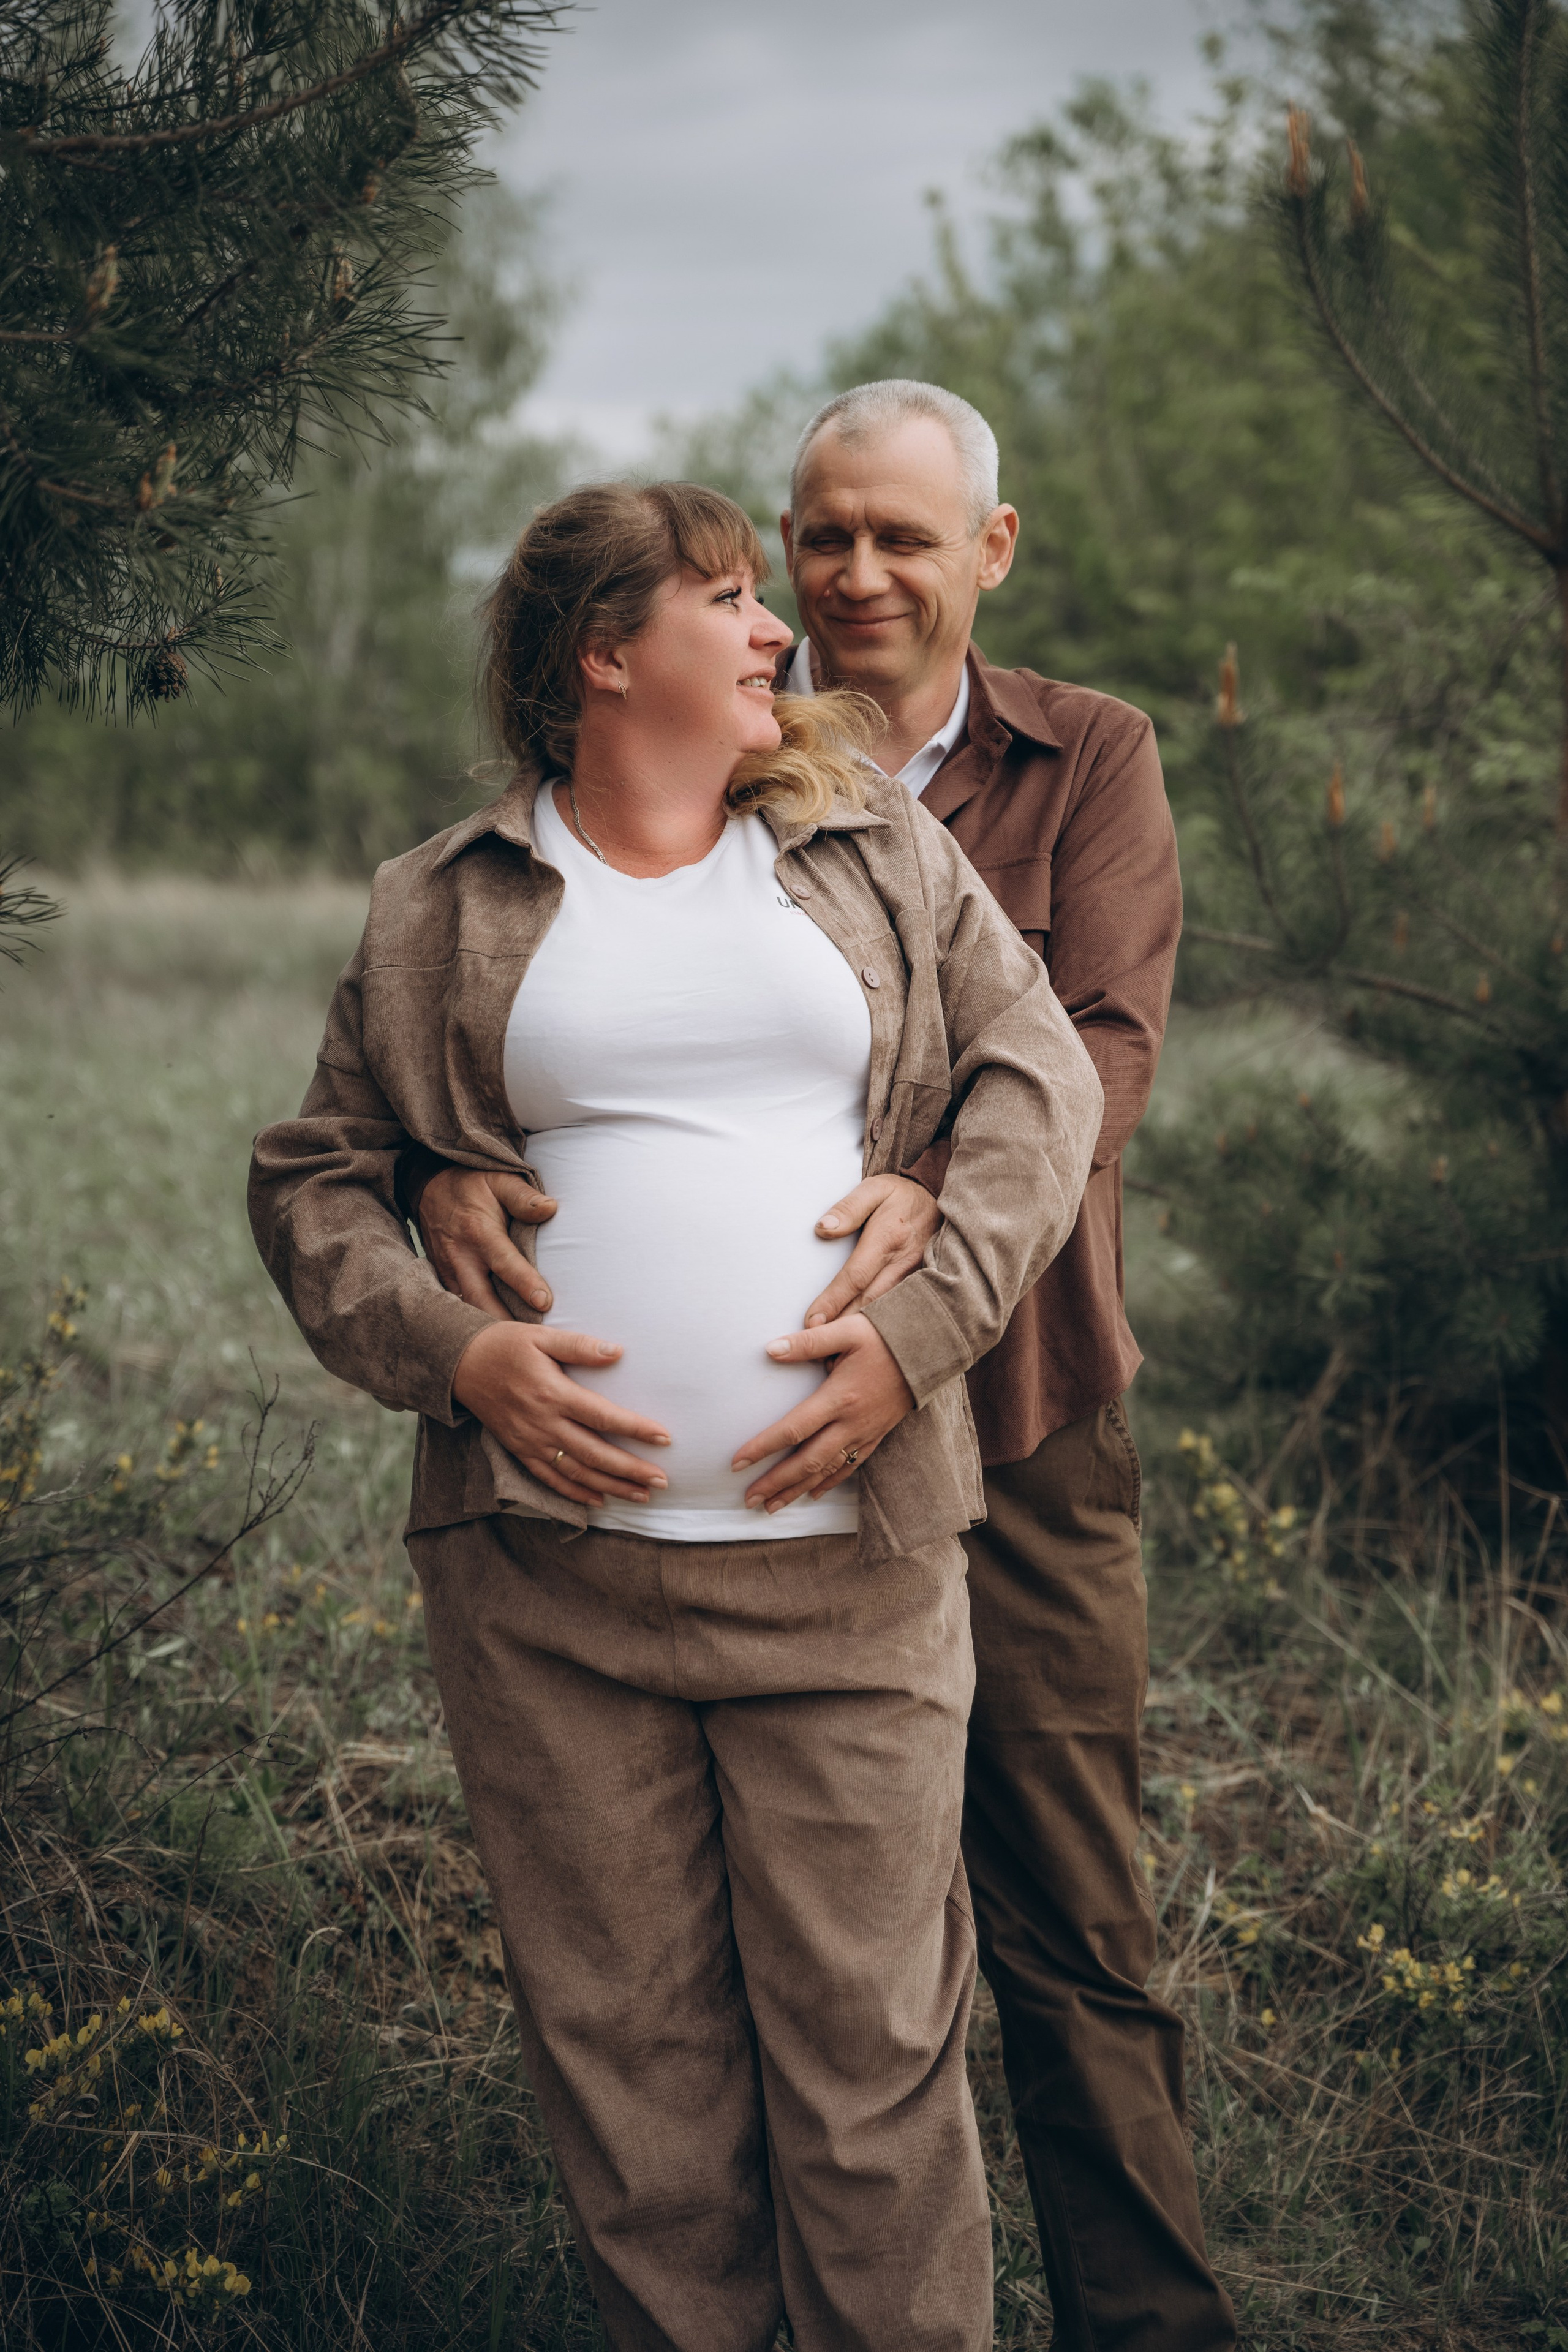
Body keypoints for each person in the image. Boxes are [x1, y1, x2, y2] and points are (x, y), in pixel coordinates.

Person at [407, 385, 1238, 2352]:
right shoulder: (696, 785)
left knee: (1064, 1912)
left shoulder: (1078, 762)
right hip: (680, 1530)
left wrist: (919, 1214)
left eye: (902, 539)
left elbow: (1091, 1059)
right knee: (758, 1991)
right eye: (819, 538)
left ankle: (1148, 2327)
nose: (850, 578)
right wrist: (443, 1172)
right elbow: (495, 1058)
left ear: (990, 552)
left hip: (1014, 1414)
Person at [248, 479, 1103, 2352]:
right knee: (637, 2094)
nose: (779, 624)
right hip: (550, 1595)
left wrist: (920, 1331)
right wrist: (454, 1352)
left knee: (872, 2082)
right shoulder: (441, 900)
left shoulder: (868, 844)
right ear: (605, 655)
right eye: (728, 596)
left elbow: (1043, 1079)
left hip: (849, 1577)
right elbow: (315, 1178)